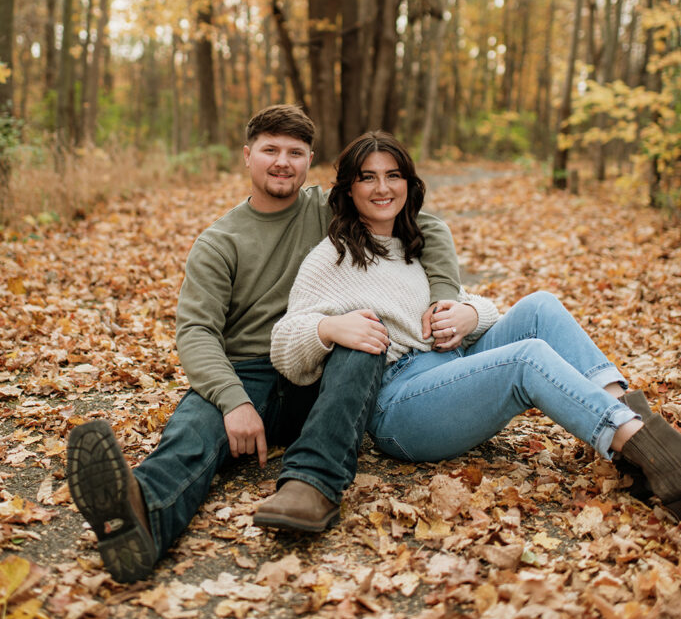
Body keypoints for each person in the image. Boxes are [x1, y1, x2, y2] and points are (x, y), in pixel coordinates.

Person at [66, 106, 464, 584]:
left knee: (362, 333)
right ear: (247, 156)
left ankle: (313, 485)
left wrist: (444, 299)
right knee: (193, 433)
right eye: (270, 150)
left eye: (295, 153)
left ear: (309, 159)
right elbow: (196, 333)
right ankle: (140, 517)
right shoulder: (220, 241)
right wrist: (233, 403)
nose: (282, 162)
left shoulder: (327, 209)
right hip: (247, 375)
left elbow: (425, 224)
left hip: (320, 370)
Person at [268, 130, 681, 522]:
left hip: (450, 365)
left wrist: (471, 315)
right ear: (349, 189)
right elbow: (285, 343)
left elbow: (476, 307)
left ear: (409, 184)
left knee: (540, 305)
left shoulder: (412, 247)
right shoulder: (332, 257)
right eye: (368, 178)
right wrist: (329, 329)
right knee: (527, 359)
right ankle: (653, 454)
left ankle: (632, 429)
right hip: (401, 406)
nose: (382, 188)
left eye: (393, 175)